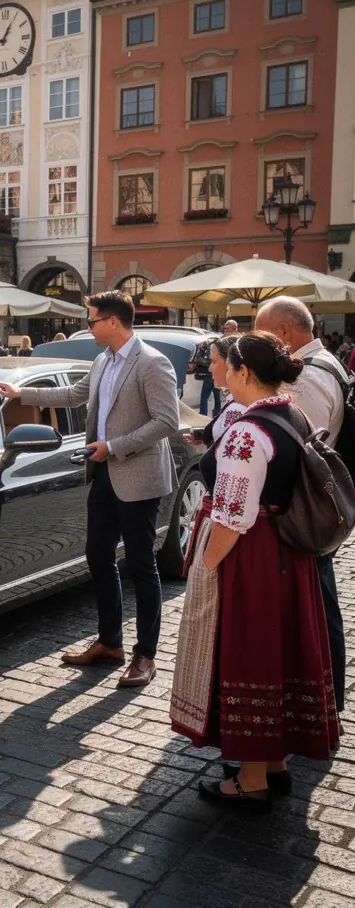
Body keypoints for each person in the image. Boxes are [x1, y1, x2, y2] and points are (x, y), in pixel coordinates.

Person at [170, 332, 339, 810]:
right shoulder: (292, 413)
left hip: (255, 557)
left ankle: (250, 779)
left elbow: (232, 516)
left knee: (249, 653)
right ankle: (276, 764)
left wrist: (205, 564)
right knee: (280, 651)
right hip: (289, 554)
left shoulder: (247, 432)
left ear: (243, 372)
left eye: (227, 367)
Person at [0, 290, 180, 688]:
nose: (87, 327)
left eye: (91, 321)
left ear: (112, 322)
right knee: (97, 555)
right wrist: (21, 393)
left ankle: (146, 655)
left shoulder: (152, 363)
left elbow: (166, 422)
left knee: (142, 565)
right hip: (104, 475)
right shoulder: (102, 360)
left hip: (138, 474)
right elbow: (73, 395)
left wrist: (114, 446)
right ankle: (110, 642)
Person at [254, 296, 347, 715]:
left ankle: (324, 701)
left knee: (318, 604)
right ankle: (323, 699)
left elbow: (294, 451)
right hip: (316, 504)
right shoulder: (326, 362)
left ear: (286, 333)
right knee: (319, 599)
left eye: (264, 333)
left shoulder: (306, 379)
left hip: (303, 508)